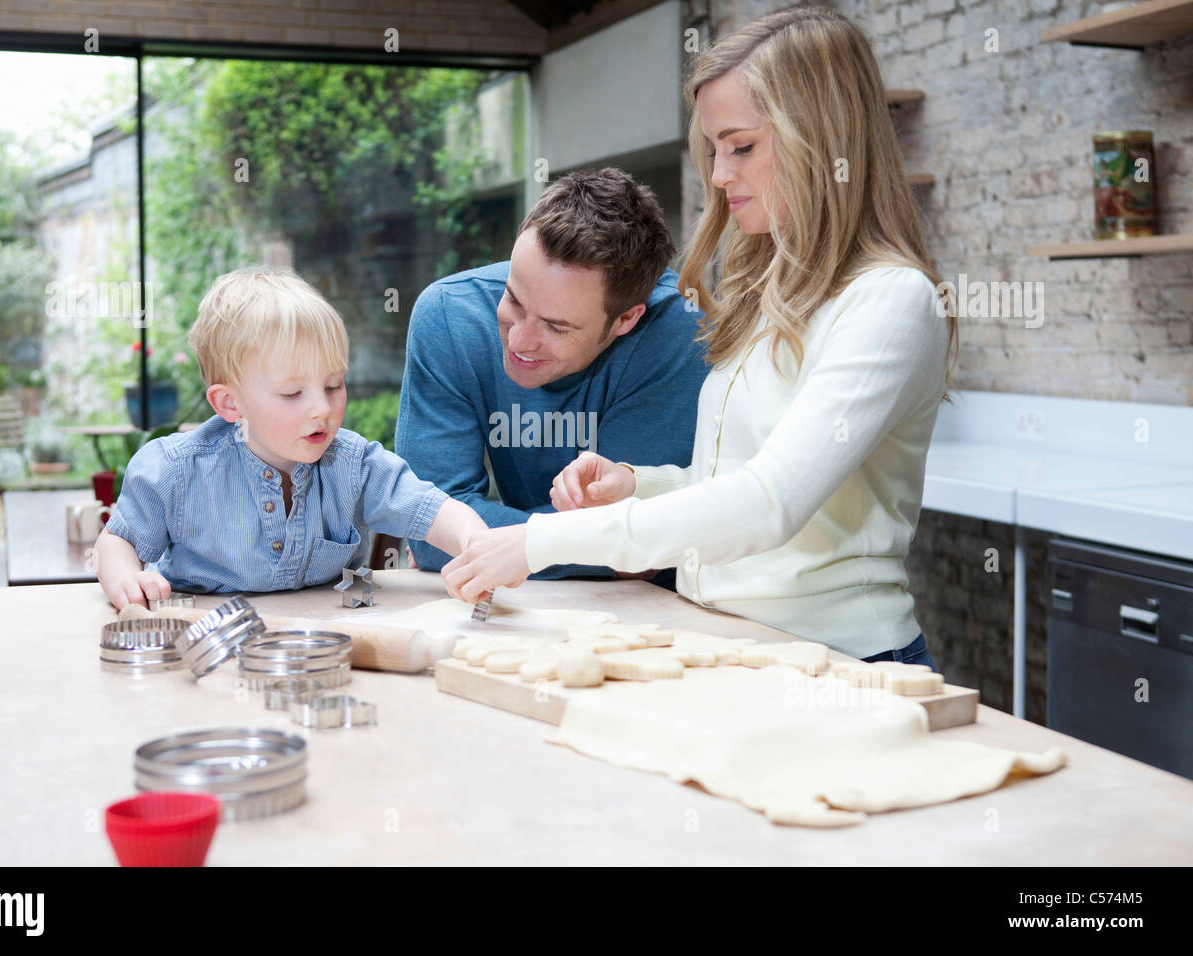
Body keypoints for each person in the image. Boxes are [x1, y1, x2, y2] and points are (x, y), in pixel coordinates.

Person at [442, 6, 958, 668]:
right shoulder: (770, 291)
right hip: (732, 644)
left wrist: (545, 540)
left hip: (842, 666)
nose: (719, 176)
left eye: (741, 147)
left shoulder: (889, 301)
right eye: (713, 149)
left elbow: (769, 503)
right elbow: (728, 481)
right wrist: (640, 485)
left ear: (822, 141)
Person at [95, 266, 486, 610]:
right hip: (213, 640)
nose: (322, 408)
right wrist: (128, 580)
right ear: (230, 403)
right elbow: (116, 543)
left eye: (334, 385)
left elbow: (435, 511)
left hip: (321, 641)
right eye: (292, 393)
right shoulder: (175, 471)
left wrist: (477, 542)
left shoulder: (352, 464)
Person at [396, 167, 709, 583]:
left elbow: (644, 536)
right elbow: (427, 526)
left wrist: (472, 539)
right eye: (513, 299)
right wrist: (603, 549)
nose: (520, 341)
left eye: (557, 327)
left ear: (625, 320)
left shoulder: (677, 333)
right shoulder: (450, 316)